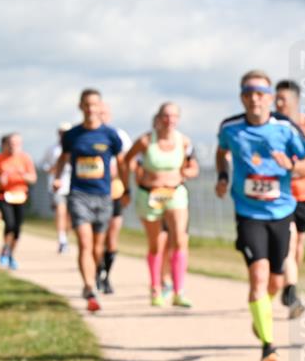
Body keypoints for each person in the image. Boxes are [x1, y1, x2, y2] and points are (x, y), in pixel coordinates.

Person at [216, 70, 305, 361]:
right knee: (258, 276)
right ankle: (268, 346)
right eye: (249, 93)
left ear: (270, 98)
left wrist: (293, 167)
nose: (254, 99)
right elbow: (222, 153)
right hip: (248, 213)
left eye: (260, 93)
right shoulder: (230, 127)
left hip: (281, 212)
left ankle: (263, 314)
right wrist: (223, 175)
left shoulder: (285, 127)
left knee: (275, 281)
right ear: (242, 97)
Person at [52, 88, 126, 312]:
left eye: (95, 104)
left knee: (97, 247)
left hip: (103, 195)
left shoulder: (110, 135)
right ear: (80, 106)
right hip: (78, 194)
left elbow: (121, 162)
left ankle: (96, 275)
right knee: (84, 242)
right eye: (87, 104)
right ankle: (89, 287)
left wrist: (126, 187)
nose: (91, 109)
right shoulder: (72, 135)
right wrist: (57, 178)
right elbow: (63, 159)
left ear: (100, 106)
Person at [125, 102, 199, 307]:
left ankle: (179, 291)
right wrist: (136, 178)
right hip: (150, 195)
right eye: (166, 116)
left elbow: (193, 166)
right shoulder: (145, 141)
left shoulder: (184, 142)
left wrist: (187, 173)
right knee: (156, 244)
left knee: (180, 239)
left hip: (175, 193)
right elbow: (127, 160)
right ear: (158, 118)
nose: (170, 120)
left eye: (174, 116)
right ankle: (156, 288)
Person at [274, 79, 305, 319]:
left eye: (283, 99)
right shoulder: (271, 125)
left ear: (296, 101)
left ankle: (290, 282)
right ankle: (291, 294)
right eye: (277, 98)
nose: (278, 103)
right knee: (289, 244)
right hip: (281, 196)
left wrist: (297, 167)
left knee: (298, 246)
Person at [98, 101, 133, 295]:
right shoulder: (84, 136)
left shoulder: (119, 136)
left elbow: (126, 162)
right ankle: (95, 271)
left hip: (115, 192)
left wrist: (127, 186)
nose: (101, 116)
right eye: (98, 112)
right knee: (96, 238)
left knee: (112, 237)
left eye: (104, 113)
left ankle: (106, 275)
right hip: (94, 193)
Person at [0, 133, 37, 269]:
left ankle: (10, 254)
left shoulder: (25, 158)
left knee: (17, 229)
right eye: (10, 143)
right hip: (4, 196)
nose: (13, 146)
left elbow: (33, 178)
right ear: (5, 144)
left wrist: (23, 174)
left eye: (16, 144)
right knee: (9, 224)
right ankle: (5, 250)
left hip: (21, 196)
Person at [41, 123, 73, 253]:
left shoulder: (74, 147)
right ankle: (61, 239)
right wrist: (51, 169)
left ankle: (66, 237)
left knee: (70, 216)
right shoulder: (52, 149)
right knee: (60, 211)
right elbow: (43, 164)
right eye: (61, 132)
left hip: (73, 185)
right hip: (57, 186)